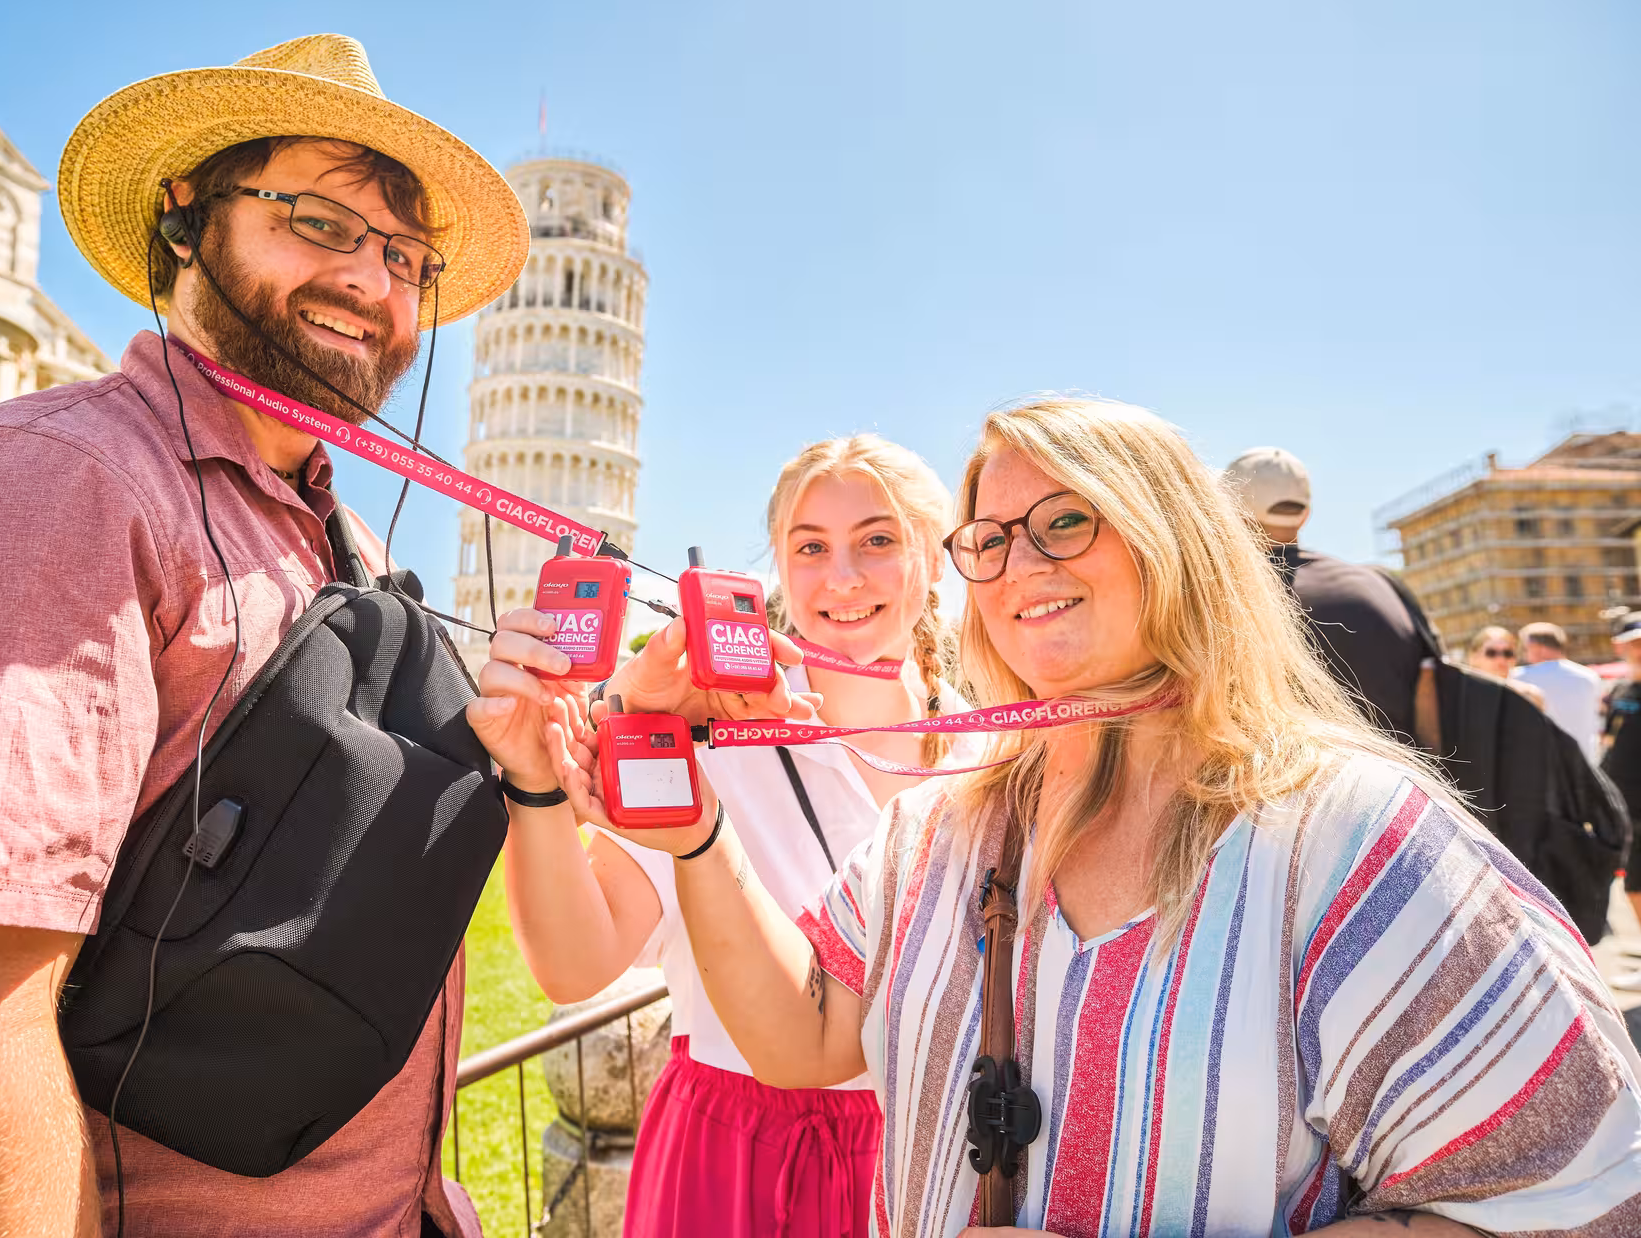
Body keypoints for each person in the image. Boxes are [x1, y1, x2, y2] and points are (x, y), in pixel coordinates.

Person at [480, 399, 1641, 1236]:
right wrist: (684, 823)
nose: (1021, 556)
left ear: (1178, 540)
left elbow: (1582, 1182)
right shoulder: (949, 822)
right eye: (993, 535)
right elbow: (803, 1030)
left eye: (1068, 519)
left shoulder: (1351, 835)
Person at [0, 34, 527, 1237]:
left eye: (406, 254)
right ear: (184, 218)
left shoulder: (342, 537)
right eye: (320, 219)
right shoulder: (47, 485)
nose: (373, 280)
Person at [479, 436, 972, 1237]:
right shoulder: (710, 747)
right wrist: (533, 782)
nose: (841, 576)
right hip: (739, 1160)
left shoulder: (996, 759)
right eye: (810, 547)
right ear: (778, 567)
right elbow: (576, 965)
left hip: (935, 1155)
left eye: (878, 540)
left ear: (935, 561)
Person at [1226, 447, 1435, 747]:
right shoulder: (1380, 583)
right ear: (1305, 514)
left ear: (1230, 512)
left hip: (1300, 787)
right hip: (1410, 782)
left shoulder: (1233, 597)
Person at [1514, 622, 1607, 765]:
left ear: (1535, 647)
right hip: (1585, 763)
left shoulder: (1518, 677)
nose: (1524, 654)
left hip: (1539, 765)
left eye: (1525, 648)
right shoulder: (1590, 677)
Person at [1605, 615, 1641, 975]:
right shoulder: (1619, 691)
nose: (1639, 650)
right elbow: (1609, 741)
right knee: (1633, 885)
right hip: (1625, 805)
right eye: (1633, 643)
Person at [1467, 624, 1547, 708]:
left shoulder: (1530, 697)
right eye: (1491, 653)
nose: (1501, 659)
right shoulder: (1462, 697)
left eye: (1508, 653)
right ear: (1474, 658)